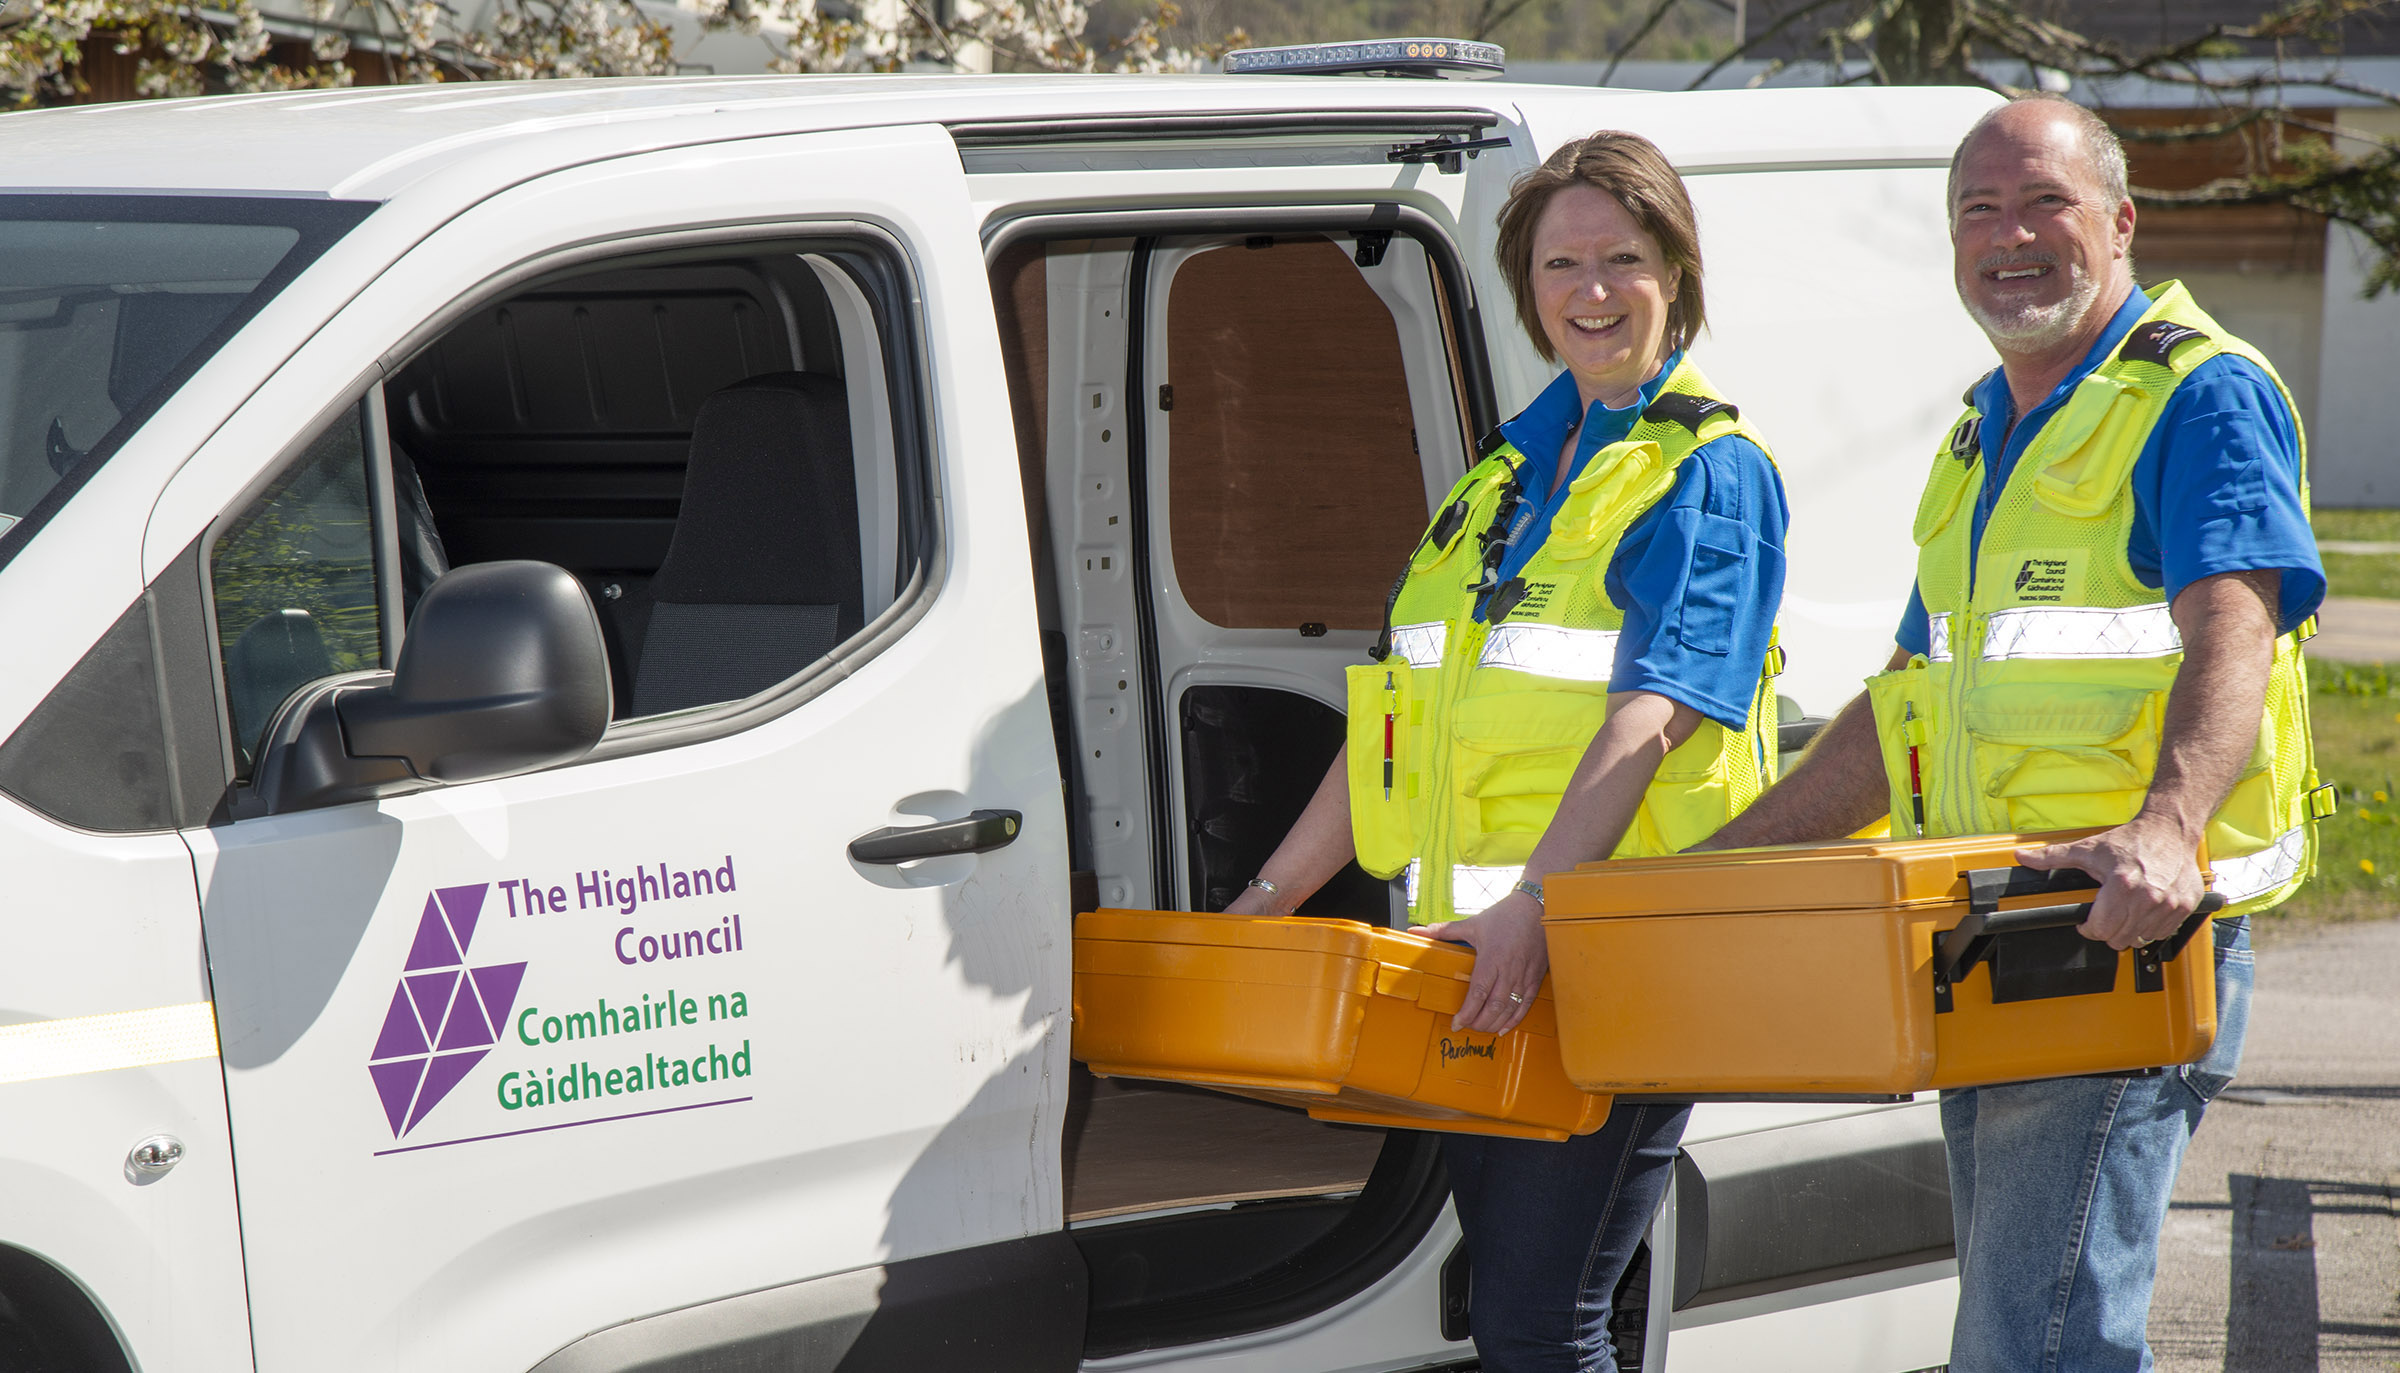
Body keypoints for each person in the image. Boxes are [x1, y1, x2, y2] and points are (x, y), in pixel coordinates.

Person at [1697, 94, 2326, 1371]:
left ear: (2121, 221)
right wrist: (1727, 860)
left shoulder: (2197, 396)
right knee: (2022, 1329)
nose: (2010, 235)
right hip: (1993, 933)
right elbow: (1904, 706)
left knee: (2033, 1343)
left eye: (2045, 201)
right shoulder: (1986, 429)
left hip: (2124, 931)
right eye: (1978, 210)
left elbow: (2235, 634)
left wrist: (2168, 824)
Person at [1225, 131, 1790, 1372]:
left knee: (1544, 1317)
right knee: (1516, 1304)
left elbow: (1653, 717)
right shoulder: (1504, 477)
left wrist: (1539, 905)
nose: (1592, 291)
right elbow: (1396, 724)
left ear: (1677, 275)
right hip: (1478, 963)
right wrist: (1270, 899)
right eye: (1561, 264)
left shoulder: (1709, 474)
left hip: (1606, 955)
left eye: (1624, 260)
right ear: (1525, 287)